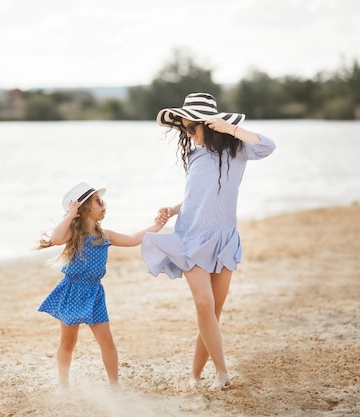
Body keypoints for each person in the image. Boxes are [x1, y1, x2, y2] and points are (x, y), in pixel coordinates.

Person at [141, 92, 276, 391]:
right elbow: (196, 196)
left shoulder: (238, 150)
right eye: (185, 129)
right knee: (204, 304)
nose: (188, 134)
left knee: (212, 313)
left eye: (192, 128)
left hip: (224, 238)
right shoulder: (194, 156)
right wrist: (175, 209)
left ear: (209, 125)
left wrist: (231, 129)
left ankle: (194, 375)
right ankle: (222, 372)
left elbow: (269, 145)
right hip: (190, 237)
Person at [37, 182, 166, 390]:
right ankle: (63, 385)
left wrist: (158, 225)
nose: (103, 203)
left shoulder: (105, 235)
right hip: (73, 290)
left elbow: (133, 239)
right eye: (98, 200)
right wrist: (70, 215)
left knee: (107, 340)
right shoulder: (73, 235)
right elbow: (56, 238)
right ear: (85, 208)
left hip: (95, 293)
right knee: (68, 343)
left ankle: (114, 386)